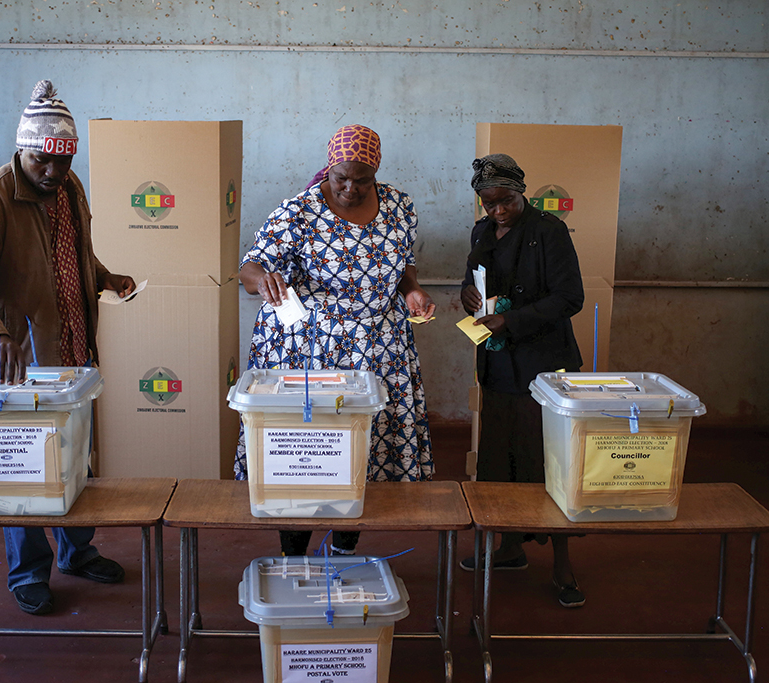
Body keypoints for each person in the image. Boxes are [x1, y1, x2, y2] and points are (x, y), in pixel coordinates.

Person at [0, 80, 136, 616]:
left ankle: (76, 550)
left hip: (73, 350)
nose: (53, 170)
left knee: (76, 460)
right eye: (42, 161)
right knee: (23, 468)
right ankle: (27, 572)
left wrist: (106, 276)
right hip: (19, 360)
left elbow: (68, 258)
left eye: (64, 159)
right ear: (22, 149)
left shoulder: (69, 189)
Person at [237, 124, 435, 557]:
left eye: (362, 180)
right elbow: (249, 267)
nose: (350, 187)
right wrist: (263, 280)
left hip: (377, 347)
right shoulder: (299, 212)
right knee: (308, 445)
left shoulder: (399, 206)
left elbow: (404, 263)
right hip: (310, 348)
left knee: (362, 443)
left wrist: (412, 290)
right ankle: (293, 546)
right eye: (340, 177)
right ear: (328, 169)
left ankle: (347, 540)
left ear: (376, 173)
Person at [457, 153, 586, 608]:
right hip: (497, 366)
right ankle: (508, 546)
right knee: (500, 459)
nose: (498, 211)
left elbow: (571, 298)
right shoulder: (481, 232)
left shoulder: (548, 232)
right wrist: (467, 296)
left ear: (521, 192)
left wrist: (510, 321)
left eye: (506, 201)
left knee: (548, 461)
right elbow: (473, 282)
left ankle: (563, 565)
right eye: (488, 204)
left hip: (543, 366)